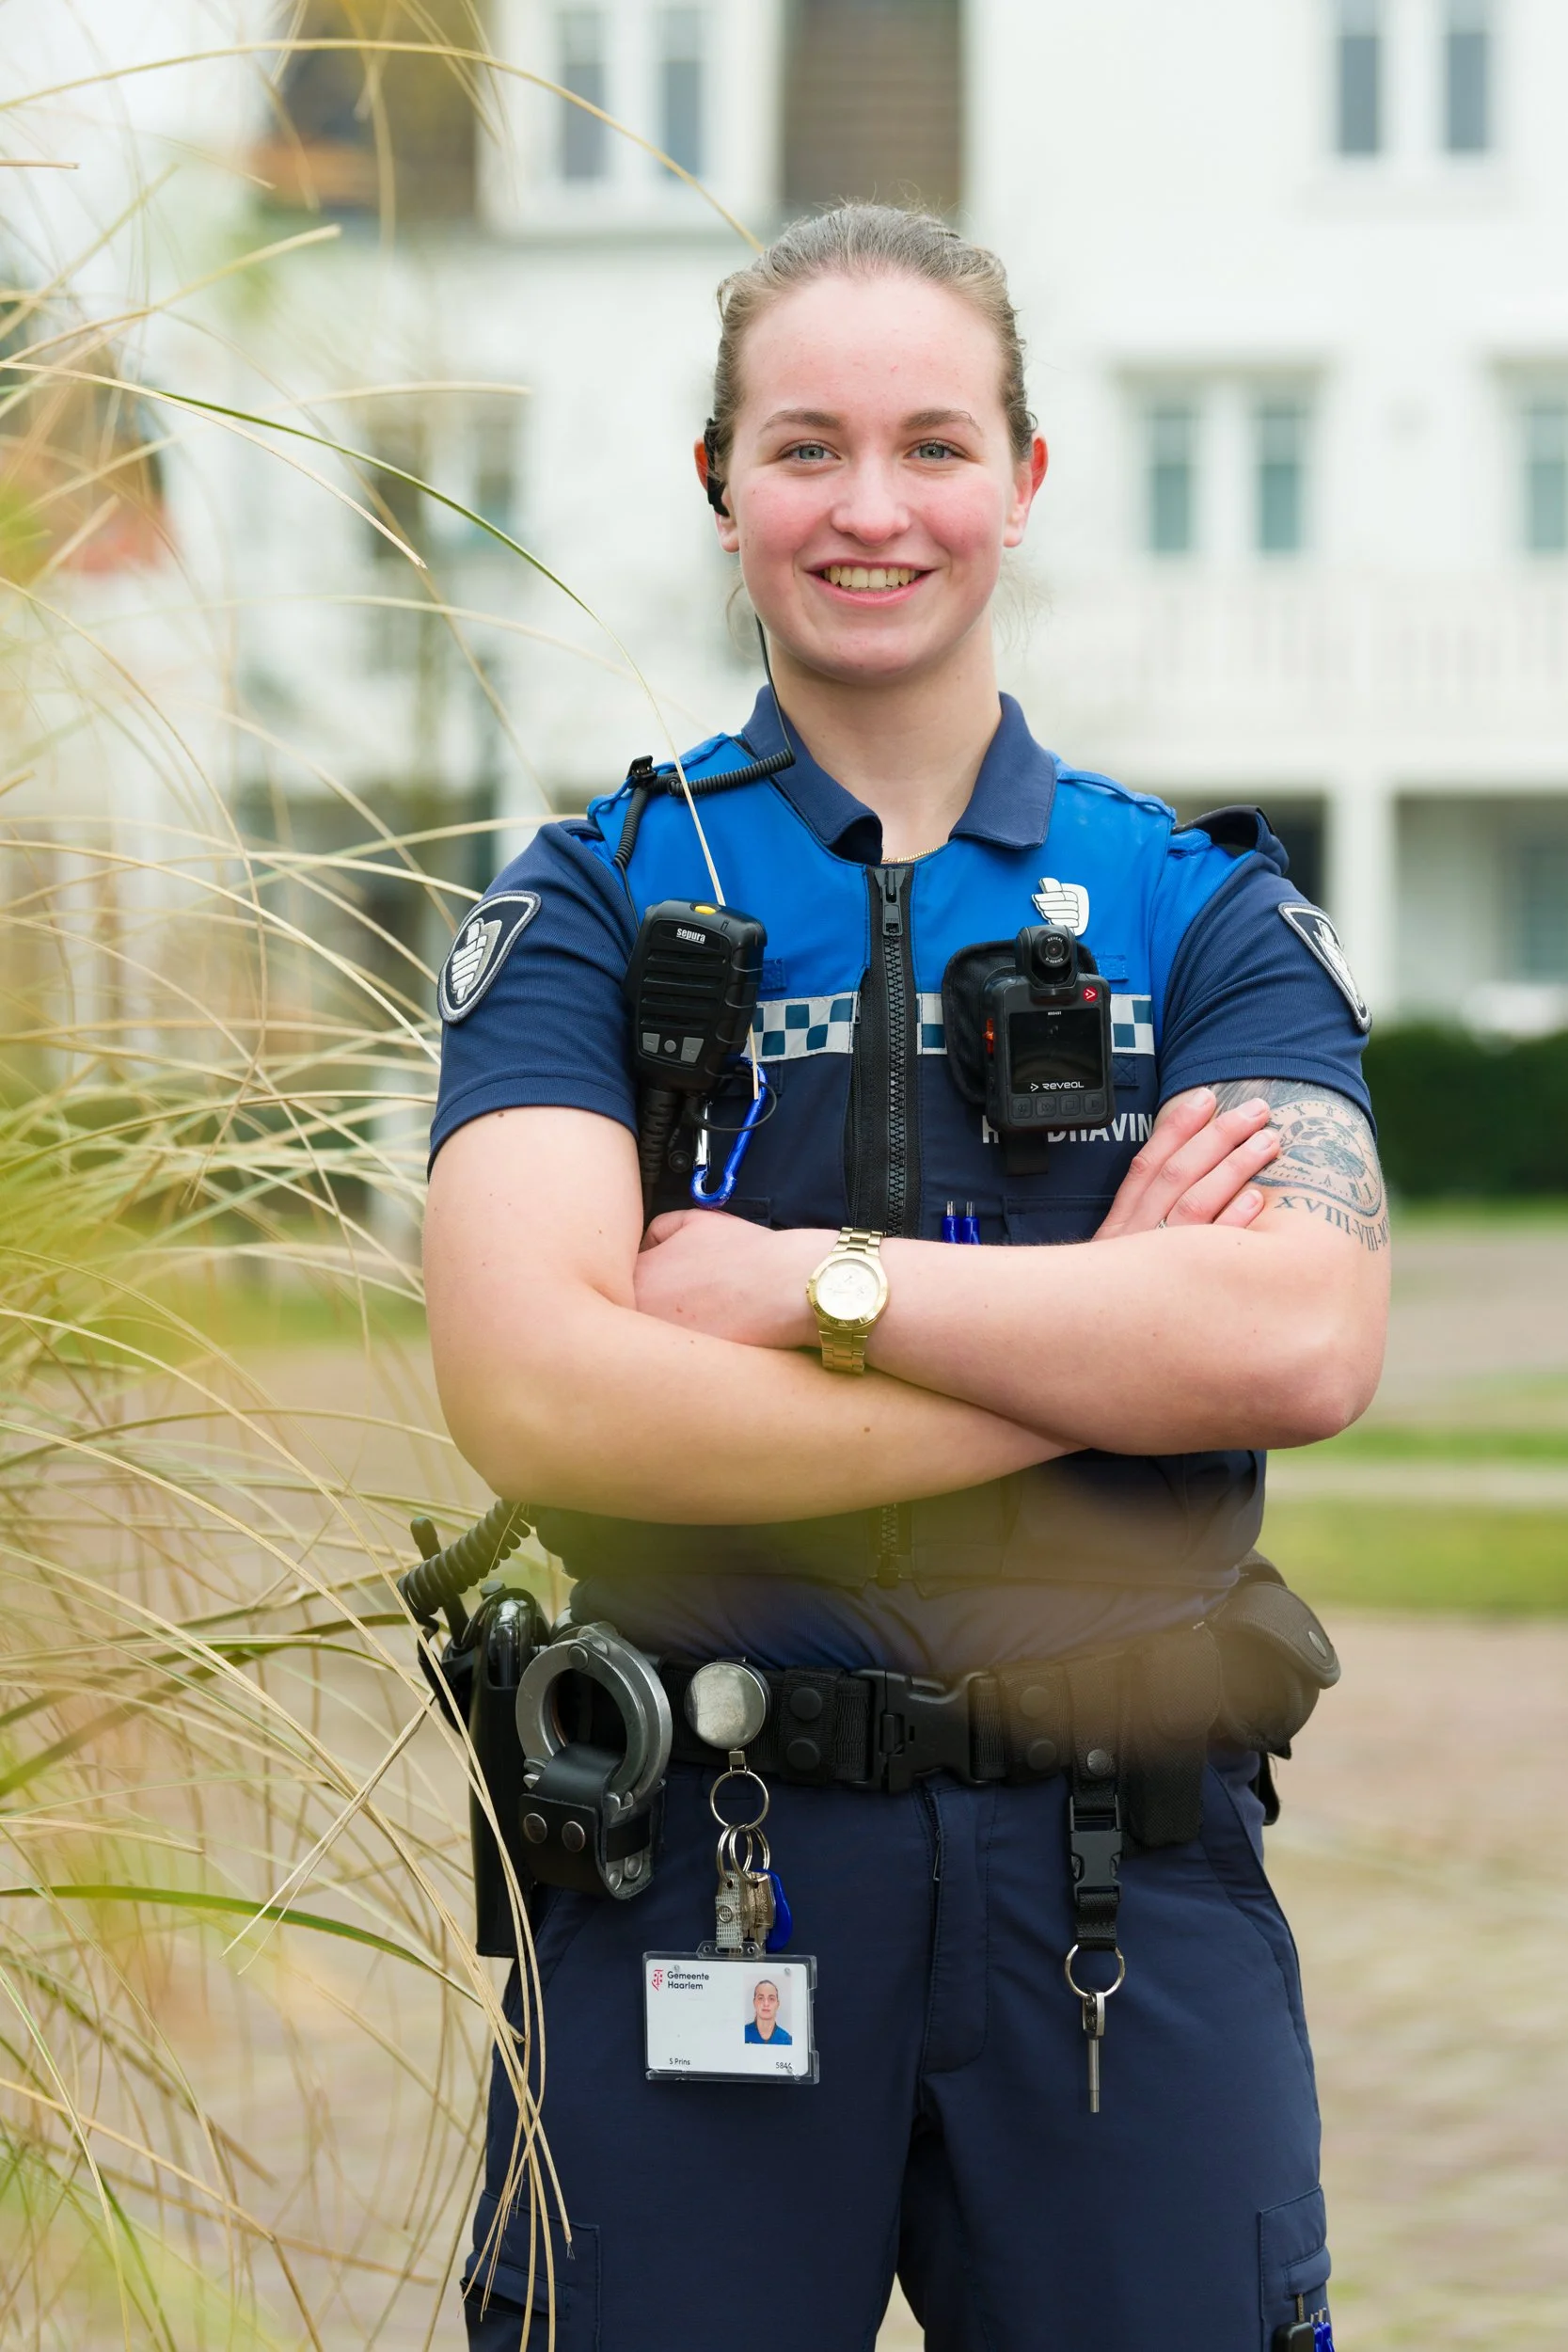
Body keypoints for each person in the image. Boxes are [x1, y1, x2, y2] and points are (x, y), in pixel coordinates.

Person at [425, 205, 1386, 2352]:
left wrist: (807, 1286)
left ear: (1028, 479)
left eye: (934, 443)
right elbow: (540, 1395)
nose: (872, 509)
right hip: (692, 1861)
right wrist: (1109, 1351)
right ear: (717, 484)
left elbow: (1305, 1332)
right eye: (805, 447)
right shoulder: (587, 904)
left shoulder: (1198, 913)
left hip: (1121, 1899)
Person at [745, 1979, 791, 2045]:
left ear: (778, 2004)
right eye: (761, 1998)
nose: (766, 2004)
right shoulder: (742, 2034)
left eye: (771, 1999)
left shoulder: (787, 2040)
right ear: (754, 2002)